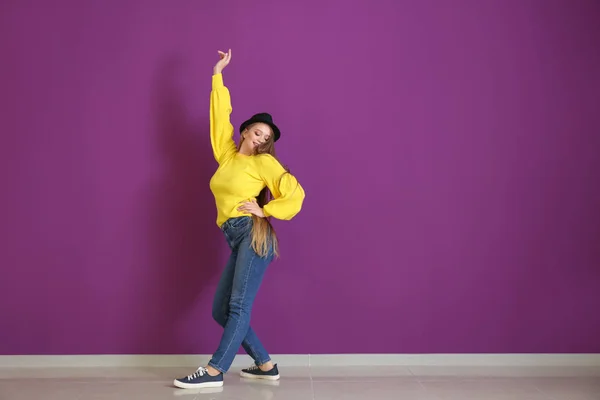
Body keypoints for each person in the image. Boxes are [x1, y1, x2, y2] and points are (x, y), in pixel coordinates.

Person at [173, 49, 305, 389]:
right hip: (233, 234)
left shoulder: (264, 164)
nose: (262, 139)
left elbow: (294, 192)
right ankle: (265, 365)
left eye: (268, 138)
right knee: (221, 310)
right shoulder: (228, 156)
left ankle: (215, 370)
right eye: (259, 132)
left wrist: (266, 209)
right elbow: (220, 117)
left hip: (253, 232)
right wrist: (217, 74)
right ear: (246, 130)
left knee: (237, 305)